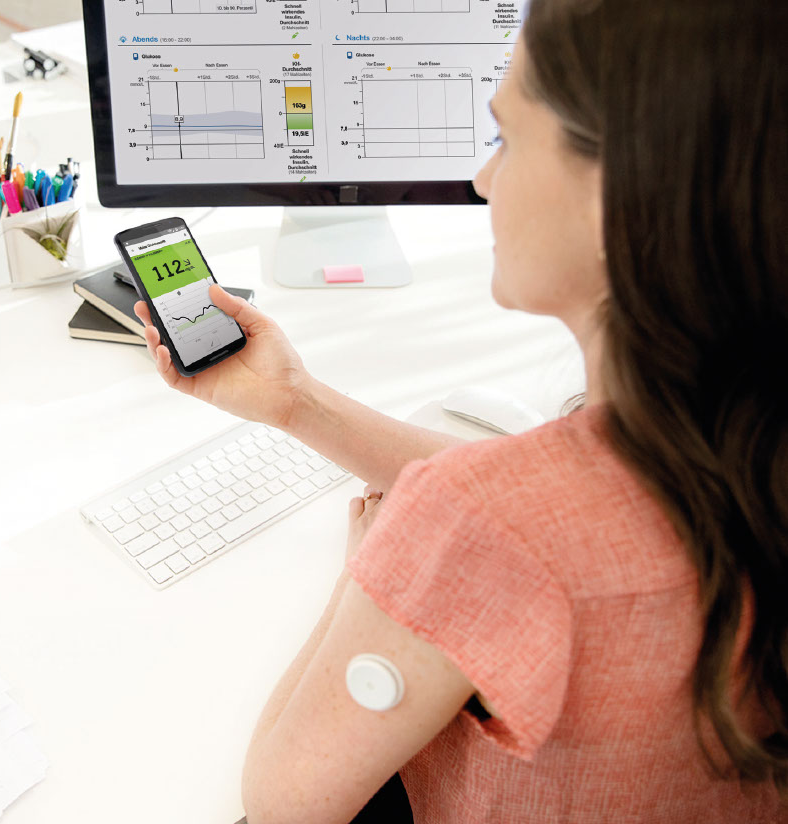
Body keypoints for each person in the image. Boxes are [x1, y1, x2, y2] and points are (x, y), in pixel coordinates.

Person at [134, 0, 788, 820]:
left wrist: (374, 567)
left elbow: (281, 803)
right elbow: (563, 508)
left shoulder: (470, 526)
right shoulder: (735, 427)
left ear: (614, 197)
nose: (482, 178)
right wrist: (294, 403)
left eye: (506, 140)